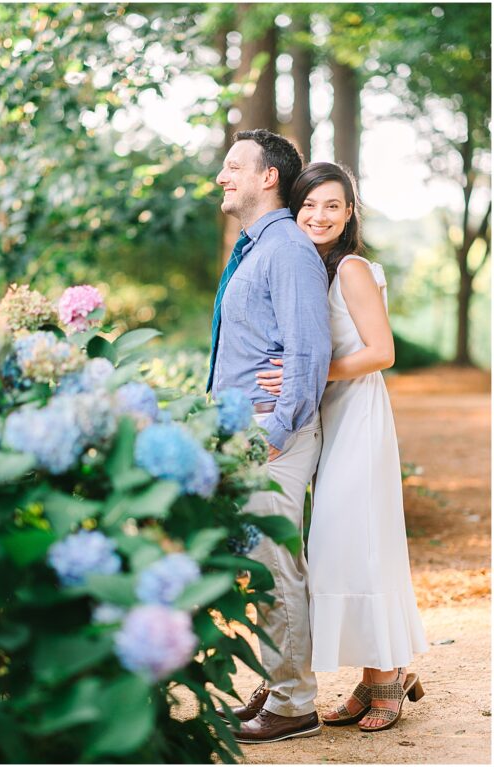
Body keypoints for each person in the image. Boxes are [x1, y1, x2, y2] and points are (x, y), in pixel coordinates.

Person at [255, 162, 427, 732]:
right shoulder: (309, 267)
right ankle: (377, 673)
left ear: (350, 212)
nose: (319, 216)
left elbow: (382, 352)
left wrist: (312, 371)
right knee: (337, 547)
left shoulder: (350, 268)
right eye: (309, 205)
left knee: (361, 542)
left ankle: (385, 680)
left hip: (358, 417)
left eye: (332, 205)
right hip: (328, 418)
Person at [208, 129, 331, 743]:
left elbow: (308, 351)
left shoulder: (285, 250)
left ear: (268, 178)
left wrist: (274, 432)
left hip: (269, 432)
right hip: (246, 429)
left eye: (234, 167)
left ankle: (294, 703)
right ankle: (278, 686)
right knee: (258, 564)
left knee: (277, 564)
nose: (222, 177)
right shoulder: (258, 249)